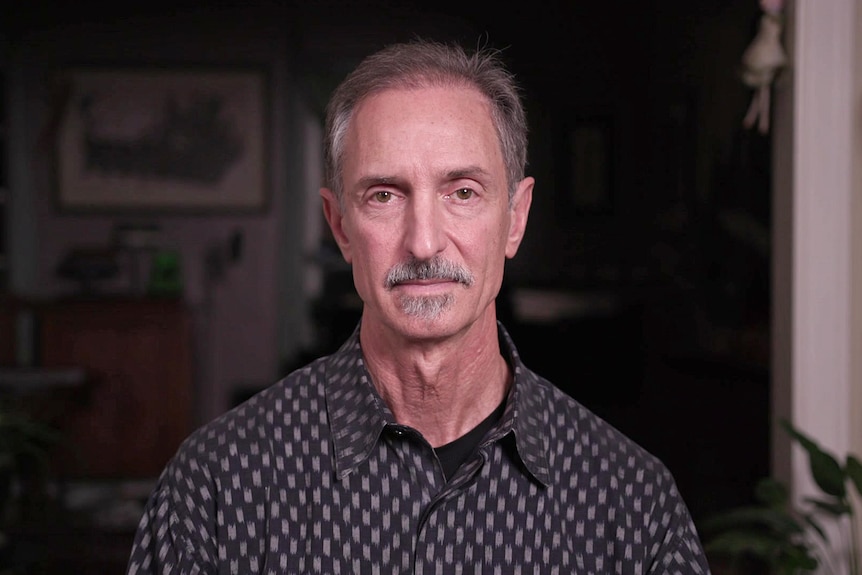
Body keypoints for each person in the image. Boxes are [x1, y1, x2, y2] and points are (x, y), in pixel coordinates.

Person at [126, 39, 711, 574]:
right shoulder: (215, 488)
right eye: (384, 195)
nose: (424, 241)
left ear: (515, 217)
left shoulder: (633, 506)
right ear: (340, 225)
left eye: (462, 192)